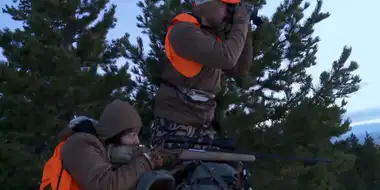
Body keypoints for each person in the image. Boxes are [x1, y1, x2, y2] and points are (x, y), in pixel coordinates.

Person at [150, 0, 254, 149]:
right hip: (175, 126)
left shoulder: (211, 38)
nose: (230, 13)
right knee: (188, 171)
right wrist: (241, 20)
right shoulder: (183, 31)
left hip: (203, 127)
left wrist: (246, 29)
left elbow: (241, 69)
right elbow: (227, 58)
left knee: (224, 170)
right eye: (227, 7)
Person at [40, 100, 176, 190]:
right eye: (131, 135)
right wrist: (145, 161)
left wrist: (164, 158)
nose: (137, 141)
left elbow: (140, 155)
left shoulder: (109, 149)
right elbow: (107, 185)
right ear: (115, 134)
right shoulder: (79, 144)